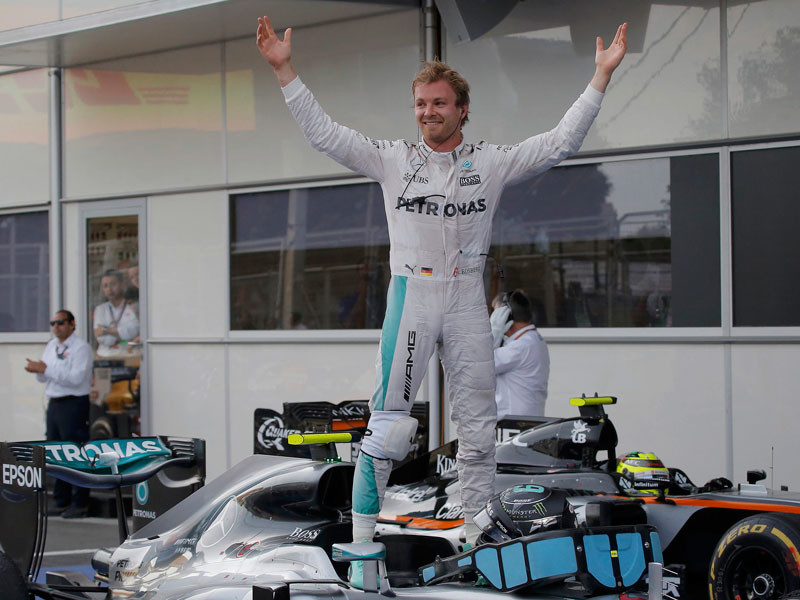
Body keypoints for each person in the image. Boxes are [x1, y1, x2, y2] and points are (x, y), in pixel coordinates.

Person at [256, 13, 627, 566]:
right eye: (421, 104)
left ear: (462, 109)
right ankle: (362, 542)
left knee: (478, 426)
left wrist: (600, 77)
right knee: (388, 427)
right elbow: (325, 135)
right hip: (412, 295)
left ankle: (477, 534)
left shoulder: (491, 163)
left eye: (439, 103)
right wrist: (284, 71)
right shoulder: (393, 158)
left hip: (466, 298)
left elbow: (558, 144)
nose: (428, 112)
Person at [24, 310, 93, 518]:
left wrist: (45, 369)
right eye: (53, 323)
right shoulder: (51, 345)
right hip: (54, 403)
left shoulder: (81, 347)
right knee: (55, 451)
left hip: (73, 403)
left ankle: (80, 502)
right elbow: (44, 377)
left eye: (61, 322)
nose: (56, 326)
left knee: (75, 451)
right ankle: (61, 500)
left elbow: (76, 378)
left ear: (72, 324)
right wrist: (38, 370)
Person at [489, 289, 550, 419]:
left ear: (506, 317)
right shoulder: (532, 340)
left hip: (514, 423)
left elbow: (480, 366)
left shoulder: (520, 347)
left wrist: (493, 333)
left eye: (496, 314)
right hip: (526, 420)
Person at [93, 269, 139, 356]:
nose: (109, 289)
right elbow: (100, 337)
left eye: (113, 284)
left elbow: (134, 331)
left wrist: (106, 330)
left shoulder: (133, 306)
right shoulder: (100, 309)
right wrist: (122, 335)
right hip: (104, 355)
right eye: (105, 286)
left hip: (129, 354)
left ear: (122, 284)